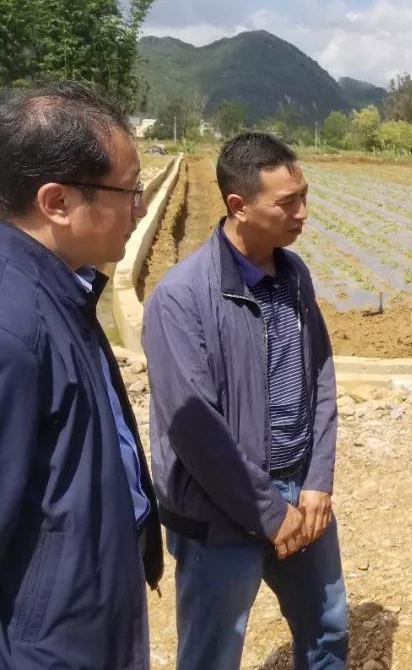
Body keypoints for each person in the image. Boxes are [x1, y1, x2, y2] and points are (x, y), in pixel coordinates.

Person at [143, 132, 347, 670]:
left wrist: (318, 479)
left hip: (300, 491)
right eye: (287, 202)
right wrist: (266, 512)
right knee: (213, 653)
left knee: (327, 631)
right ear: (239, 206)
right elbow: (196, 431)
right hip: (219, 509)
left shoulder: (294, 274)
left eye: (304, 195)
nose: (303, 213)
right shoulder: (180, 298)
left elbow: (319, 374)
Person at [0, 83, 162, 669]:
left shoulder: (60, 287)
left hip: (85, 618)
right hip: (52, 647)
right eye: (129, 190)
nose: (139, 208)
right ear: (57, 202)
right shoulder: (13, 327)